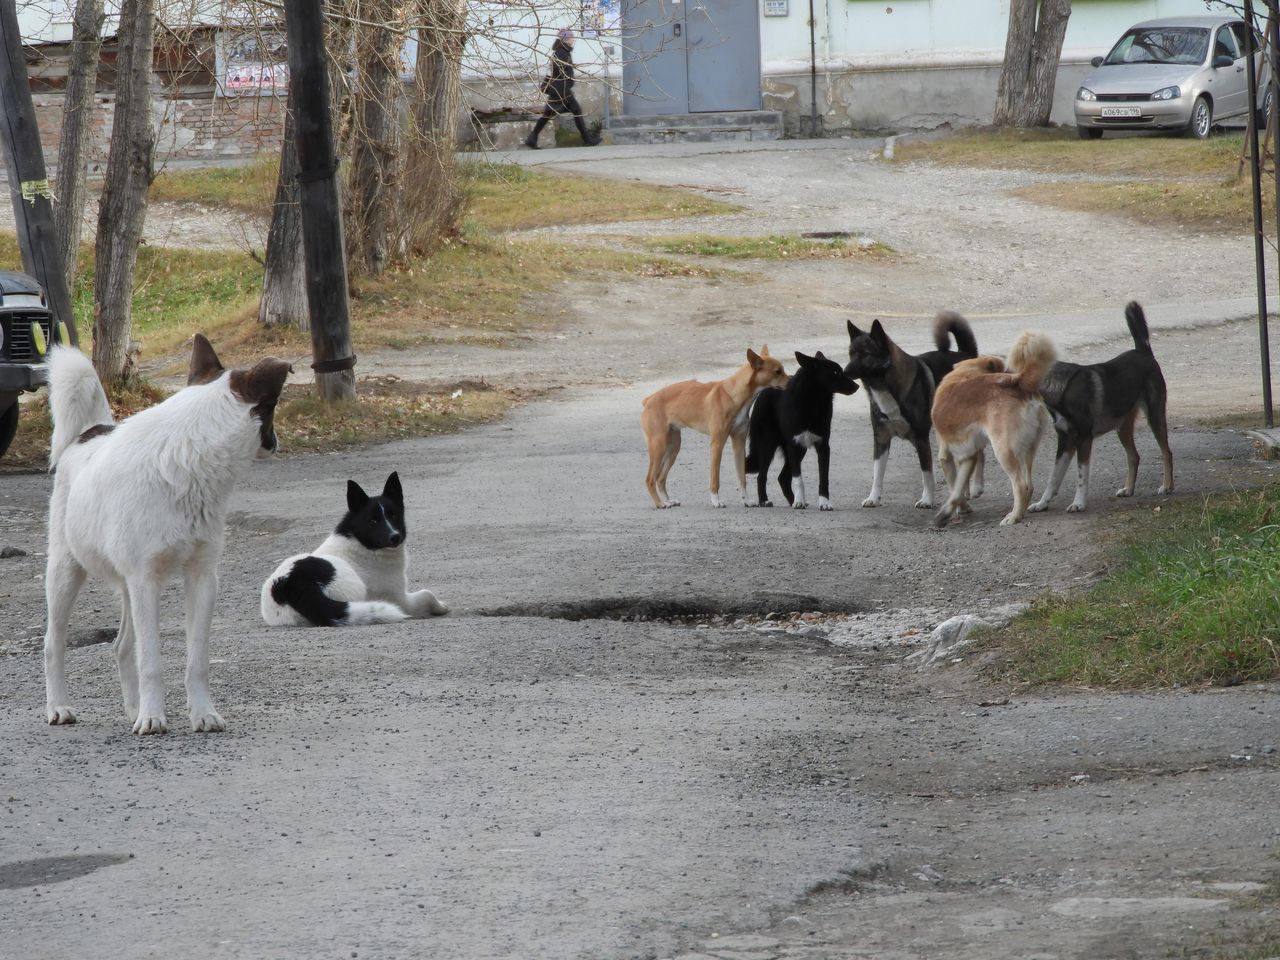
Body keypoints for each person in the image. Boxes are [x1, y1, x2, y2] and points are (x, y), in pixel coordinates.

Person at [525, 29, 601, 149]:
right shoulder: (561, 52)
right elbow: (559, 72)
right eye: (571, 37)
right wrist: (568, 80)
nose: (573, 39)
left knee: (548, 114)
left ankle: (532, 138)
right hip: (561, 90)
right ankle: (587, 138)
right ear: (566, 39)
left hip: (560, 89)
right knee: (575, 111)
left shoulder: (563, 51)